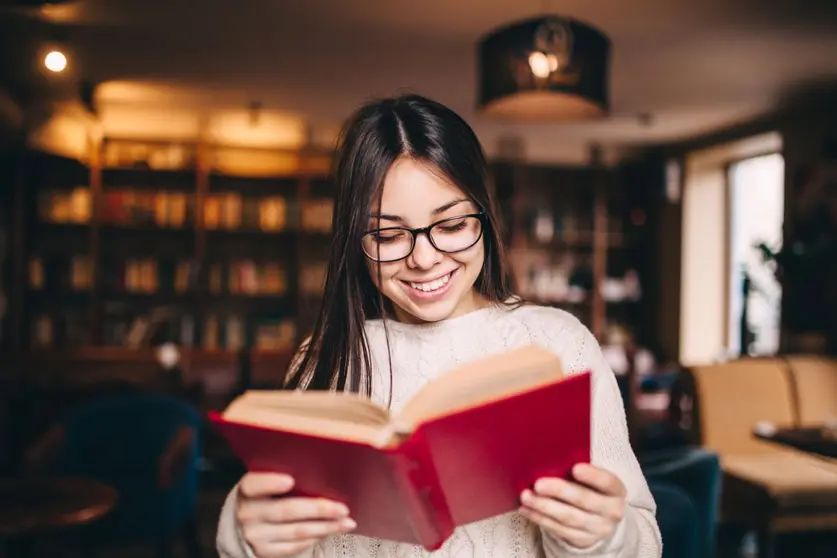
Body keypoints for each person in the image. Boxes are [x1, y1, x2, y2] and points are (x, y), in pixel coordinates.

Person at [217, 94, 662, 558]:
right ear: (354, 239)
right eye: (388, 235)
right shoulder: (322, 358)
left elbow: (643, 542)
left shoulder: (557, 345)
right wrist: (249, 538)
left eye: (450, 225)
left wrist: (602, 537)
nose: (424, 259)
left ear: (484, 216)